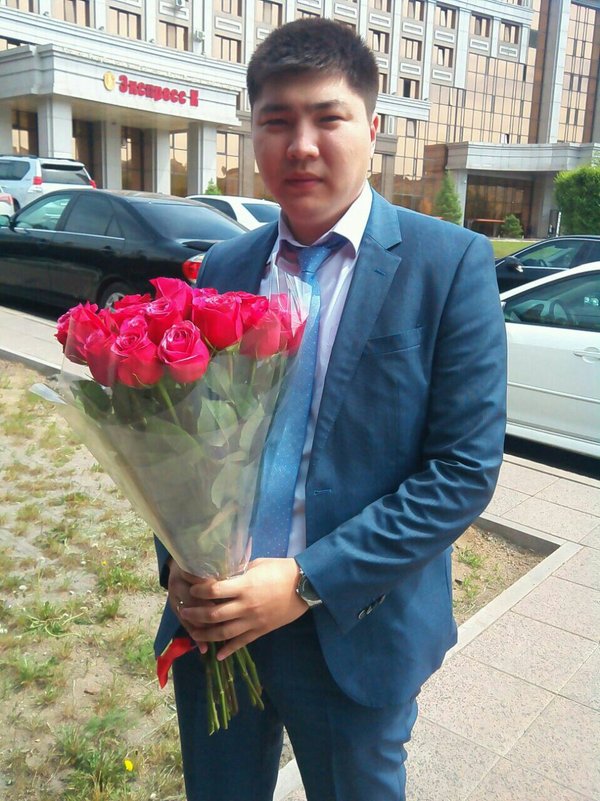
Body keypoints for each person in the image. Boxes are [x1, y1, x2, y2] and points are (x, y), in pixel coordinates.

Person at [154, 17, 507, 801]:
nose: (301, 145)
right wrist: (177, 557)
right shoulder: (225, 265)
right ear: (253, 133)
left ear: (372, 131)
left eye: (327, 117)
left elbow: (462, 470)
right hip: (217, 618)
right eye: (277, 121)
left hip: (353, 632)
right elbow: (183, 436)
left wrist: (307, 581)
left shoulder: (448, 265)